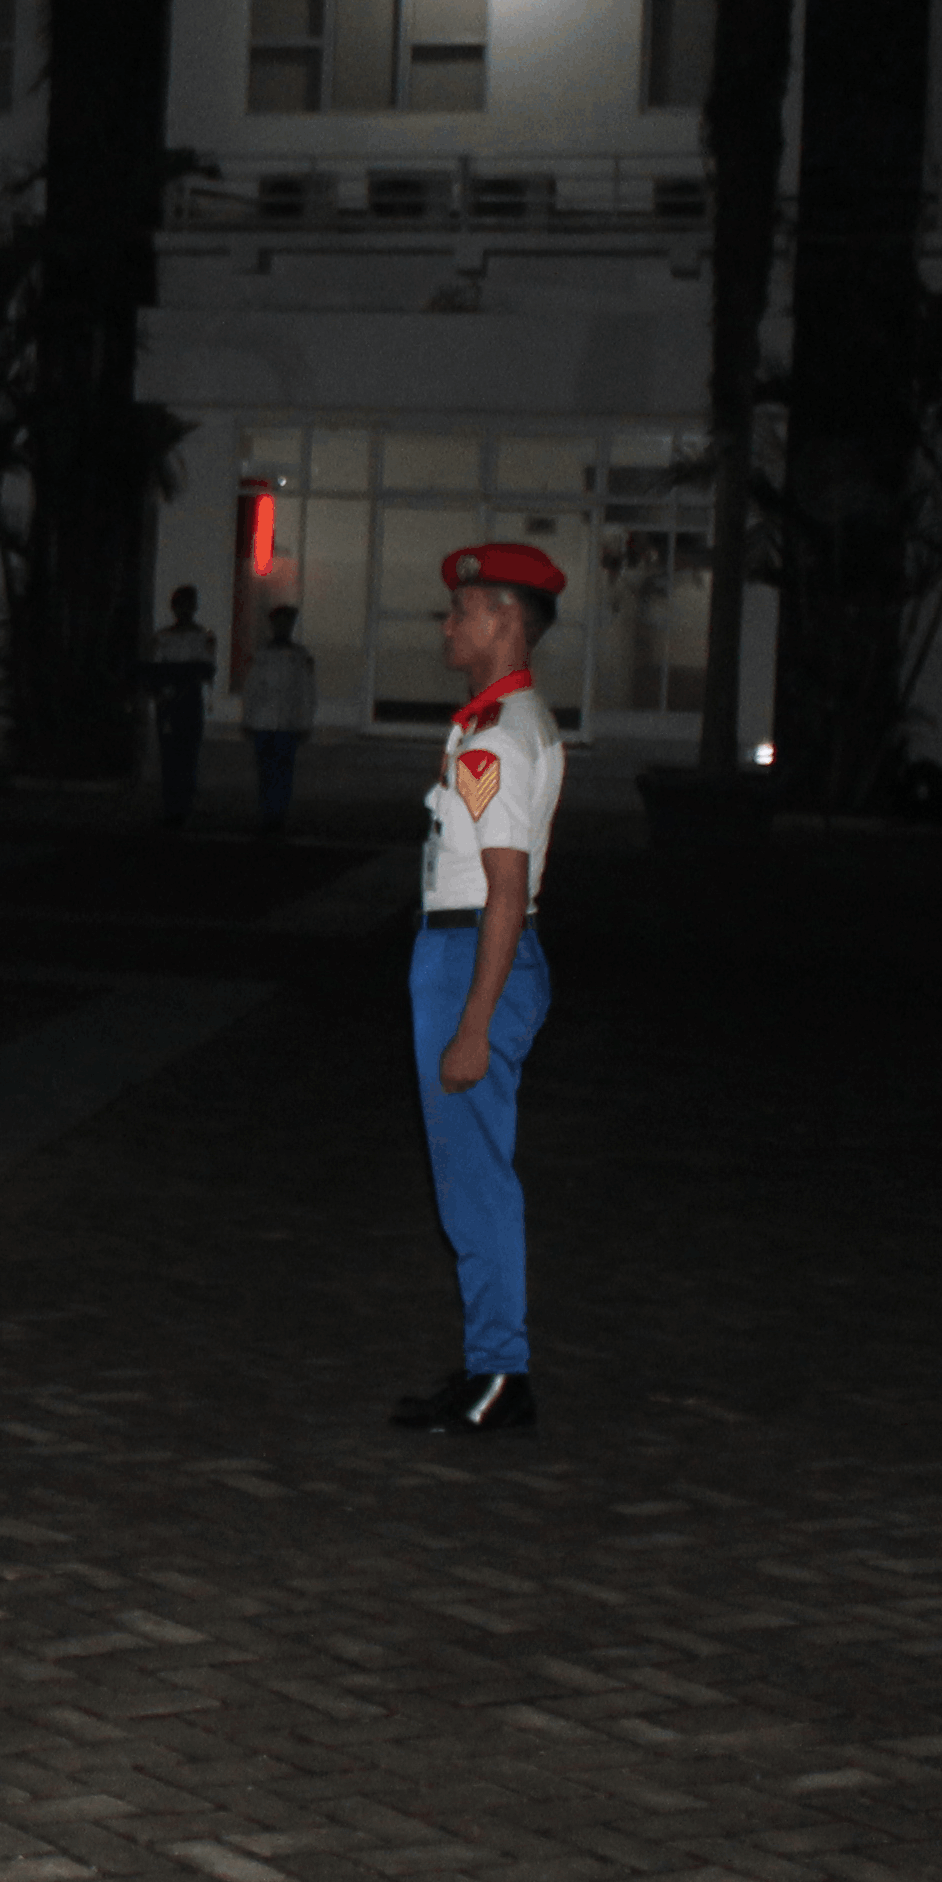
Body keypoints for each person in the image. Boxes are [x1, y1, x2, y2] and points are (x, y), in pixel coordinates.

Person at [397, 543, 567, 1436]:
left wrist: (474, 1022)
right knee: (472, 1172)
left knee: (473, 1179)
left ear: (505, 618)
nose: (447, 627)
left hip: (473, 955)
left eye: (462, 610)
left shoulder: (496, 734)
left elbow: (505, 889)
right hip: (476, 950)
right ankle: (492, 1362)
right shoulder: (508, 721)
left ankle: (500, 1371)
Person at [142, 585, 222, 827]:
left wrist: (183, 680)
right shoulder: (162, 637)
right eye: (179, 604)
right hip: (167, 700)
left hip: (189, 700)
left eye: (188, 603)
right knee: (169, 756)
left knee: (188, 755)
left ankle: (184, 807)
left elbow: (205, 669)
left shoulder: (204, 636)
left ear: (195, 606)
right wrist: (158, 693)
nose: (183, 609)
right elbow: (153, 669)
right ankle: (171, 807)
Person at [239, 605, 319, 837]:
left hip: (288, 723)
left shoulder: (300, 656)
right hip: (262, 722)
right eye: (279, 623)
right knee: (265, 772)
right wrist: (247, 719)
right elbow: (251, 690)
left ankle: (278, 817)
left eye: (287, 623)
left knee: (283, 773)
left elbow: (307, 691)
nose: (282, 627)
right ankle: (267, 816)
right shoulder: (261, 654)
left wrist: (305, 722)